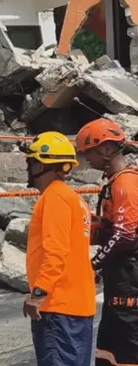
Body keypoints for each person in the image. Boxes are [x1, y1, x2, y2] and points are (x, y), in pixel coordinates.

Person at [21, 131, 96, 366]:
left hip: (58, 307)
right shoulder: (75, 199)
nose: (29, 169)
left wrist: (39, 293)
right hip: (78, 307)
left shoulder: (54, 197)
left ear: (44, 165)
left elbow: (56, 250)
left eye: (32, 162)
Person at [75, 118, 138, 366]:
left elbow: (124, 236)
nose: (86, 159)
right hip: (121, 281)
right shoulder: (116, 182)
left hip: (129, 285)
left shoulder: (125, 183)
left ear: (107, 149)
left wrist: (93, 264)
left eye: (89, 152)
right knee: (108, 353)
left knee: (126, 354)